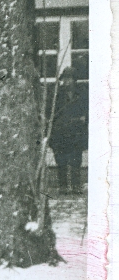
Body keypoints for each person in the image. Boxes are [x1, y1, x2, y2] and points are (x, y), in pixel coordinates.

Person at [49, 67, 88, 195]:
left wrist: (84, 118)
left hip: (76, 132)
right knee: (61, 161)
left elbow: (87, 111)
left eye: (69, 78)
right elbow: (52, 113)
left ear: (74, 80)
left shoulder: (82, 94)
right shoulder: (56, 95)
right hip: (60, 133)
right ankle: (63, 187)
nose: (67, 82)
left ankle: (76, 186)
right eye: (65, 79)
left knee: (76, 160)